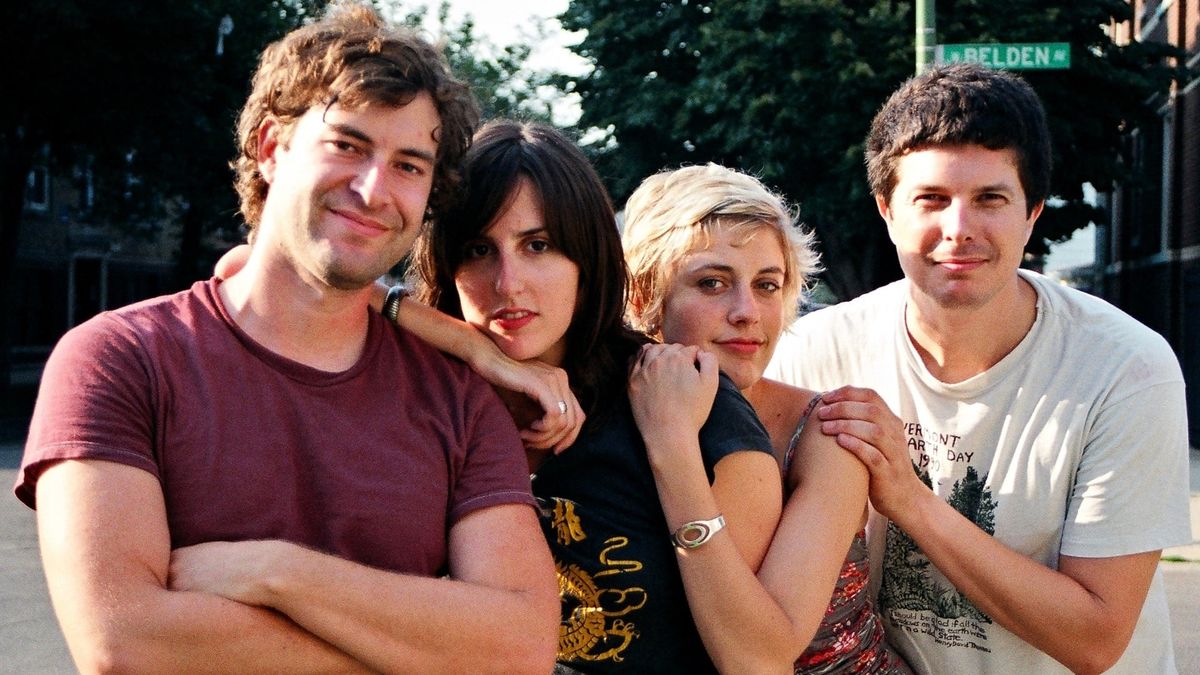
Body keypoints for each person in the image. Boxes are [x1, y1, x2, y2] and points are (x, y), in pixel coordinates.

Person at [13, 5, 559, 673]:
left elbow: (520, 648)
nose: (373, 188)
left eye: (410, 165)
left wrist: (278, 572)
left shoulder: (460, 398)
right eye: (348, 145)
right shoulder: (120, 359)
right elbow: (125, 640)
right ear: (273, 148)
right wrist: (423, 649)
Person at [767, 63, 1192, 674]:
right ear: (887, 210)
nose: (959, 229)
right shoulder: (814, 352)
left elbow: (1096, 639)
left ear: (1033, 212)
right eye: (931, 199)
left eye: (990, 199)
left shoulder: (1126, 368)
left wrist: (906, 498)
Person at [405, 119, 783, 673]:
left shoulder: (694, 407)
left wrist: (670, 449)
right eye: (478, 249)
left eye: (539, 245)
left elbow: (753, 661)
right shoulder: (419, 397)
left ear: (589, 258)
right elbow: (276, 271)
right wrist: (475, 351)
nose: (508, 283)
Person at [621, 163, 911, 674]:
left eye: (768, 285)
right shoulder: (595, 424)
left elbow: (755, 659)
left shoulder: (827, 433)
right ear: (644, 295)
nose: (747, 312)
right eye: (712, 283)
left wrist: (673, 449)